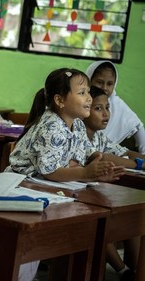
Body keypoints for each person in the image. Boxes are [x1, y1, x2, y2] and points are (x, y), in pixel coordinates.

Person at [7, 68, 125, 182]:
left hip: (42, 183)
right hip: (18, 182)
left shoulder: (78, 125)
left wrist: (93, 176)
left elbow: (76, 162)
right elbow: (50, 172)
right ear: (60, 100)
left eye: (88, 92)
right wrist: (85, 173)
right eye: (82, 93)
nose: (89, 98)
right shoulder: (51, 126)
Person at [84, 85, 140, 280]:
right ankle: (122, 271)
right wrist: (138, 163)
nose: (106, 113)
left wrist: (140, 159)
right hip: (81, 195)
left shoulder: (99, 135)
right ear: (84, 109)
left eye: (107, 108)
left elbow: (121, 152)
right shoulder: (77, 133)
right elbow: (103, 157)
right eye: (98, 108)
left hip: (95, 192)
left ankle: (134, 269)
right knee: (98, 220)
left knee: (134, 215)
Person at [86, 60, 145, 154]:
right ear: (89, 80)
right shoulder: (79, 102)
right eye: (99, 82)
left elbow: (138, 127)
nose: (104, 88)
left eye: (109, 84)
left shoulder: (117, 104)